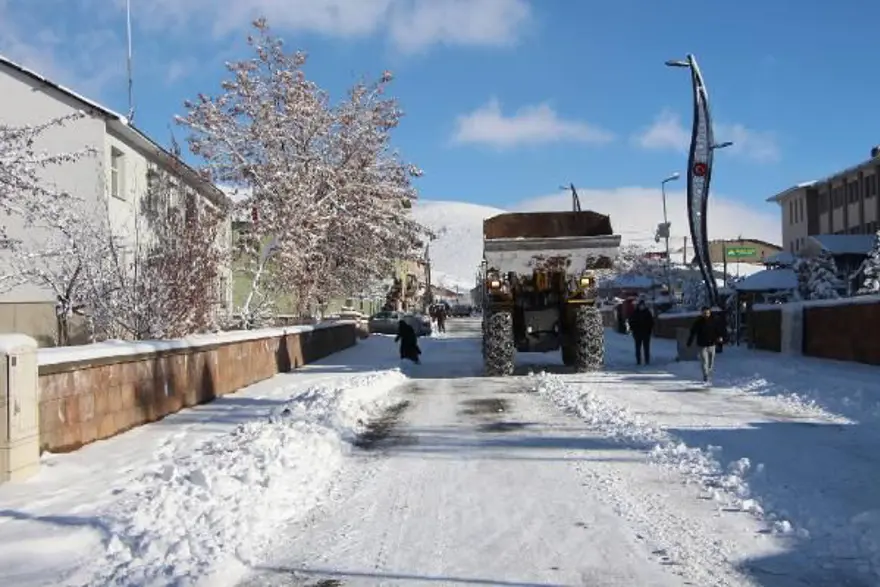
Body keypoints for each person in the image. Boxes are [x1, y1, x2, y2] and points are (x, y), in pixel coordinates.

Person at [687, 306, 725, 384]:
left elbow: (718, 330)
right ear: (702, 313)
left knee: (711, 362)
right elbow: (693, 332)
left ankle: (709, 373)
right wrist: (689, 342)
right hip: (702, 345)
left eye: (707, 313)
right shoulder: (698, 322)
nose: (706, 314)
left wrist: (720, 338)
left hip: (712, 344)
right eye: (704, 313)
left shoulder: (714, 321)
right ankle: (706, 375)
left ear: (710, 313)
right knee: (704, 361)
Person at [627, 300, 654, 365]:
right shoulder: (635, 313)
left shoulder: (647, 312)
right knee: (638, 348)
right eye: (641, 305)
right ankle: (638, 361)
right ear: (638, 306)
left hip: (646, 333)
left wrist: (649, 330)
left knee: (646, 348)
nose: (642, 307)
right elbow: (631, 322)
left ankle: (647, 360)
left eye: (643, 305)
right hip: (637, 333)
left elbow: (651, 322)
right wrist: (633, 330)